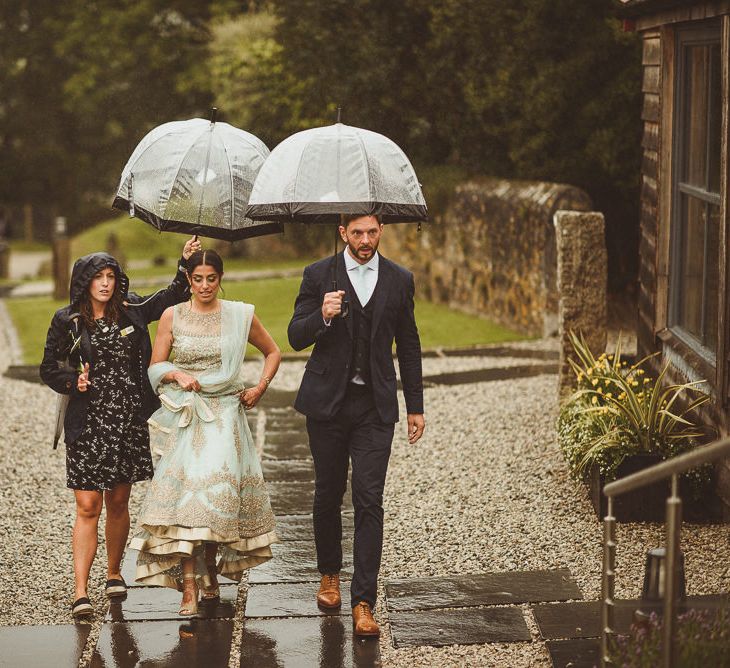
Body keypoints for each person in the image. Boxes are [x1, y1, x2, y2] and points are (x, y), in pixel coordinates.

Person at [40, 237, 199, 619]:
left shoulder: (130, 311)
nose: (106, 283)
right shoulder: (68, 320)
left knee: (117, 501)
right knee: (87, 504)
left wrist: (185, 262)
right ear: (85, 282)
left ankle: (113, 574)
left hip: (127, 423)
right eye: (99, 277)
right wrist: (70, 382)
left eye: (111, 276)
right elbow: (49, 368)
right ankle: (80, 591)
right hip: (87, 425)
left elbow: (170, 297)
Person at [288, 214, 425, 637]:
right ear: (342, 233)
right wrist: (322, 316)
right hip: (327, 406)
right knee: (328, 493)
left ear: (380, 231)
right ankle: (329, 573)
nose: (366, 240)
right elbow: (295, 335)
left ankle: (364, 601)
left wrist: (415, 405)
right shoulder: (318, 274)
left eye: (373, 232)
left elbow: (410, 343)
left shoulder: (400, 279)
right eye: (357, 233)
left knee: (369, 498)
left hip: (374, 408)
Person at [131, 249, 280, 616]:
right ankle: (189, 585)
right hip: (188, 416)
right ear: (188, 280)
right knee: (185, 501)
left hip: (227, 414)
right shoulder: (172, 315)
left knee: (215, 498)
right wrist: (176, 374)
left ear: (220, 278)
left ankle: (209, 568)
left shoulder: (239, 315)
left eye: (211, 279)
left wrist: (259, 388)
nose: (204, 286)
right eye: (197, 279)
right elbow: (154, 369)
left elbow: (273, 351)